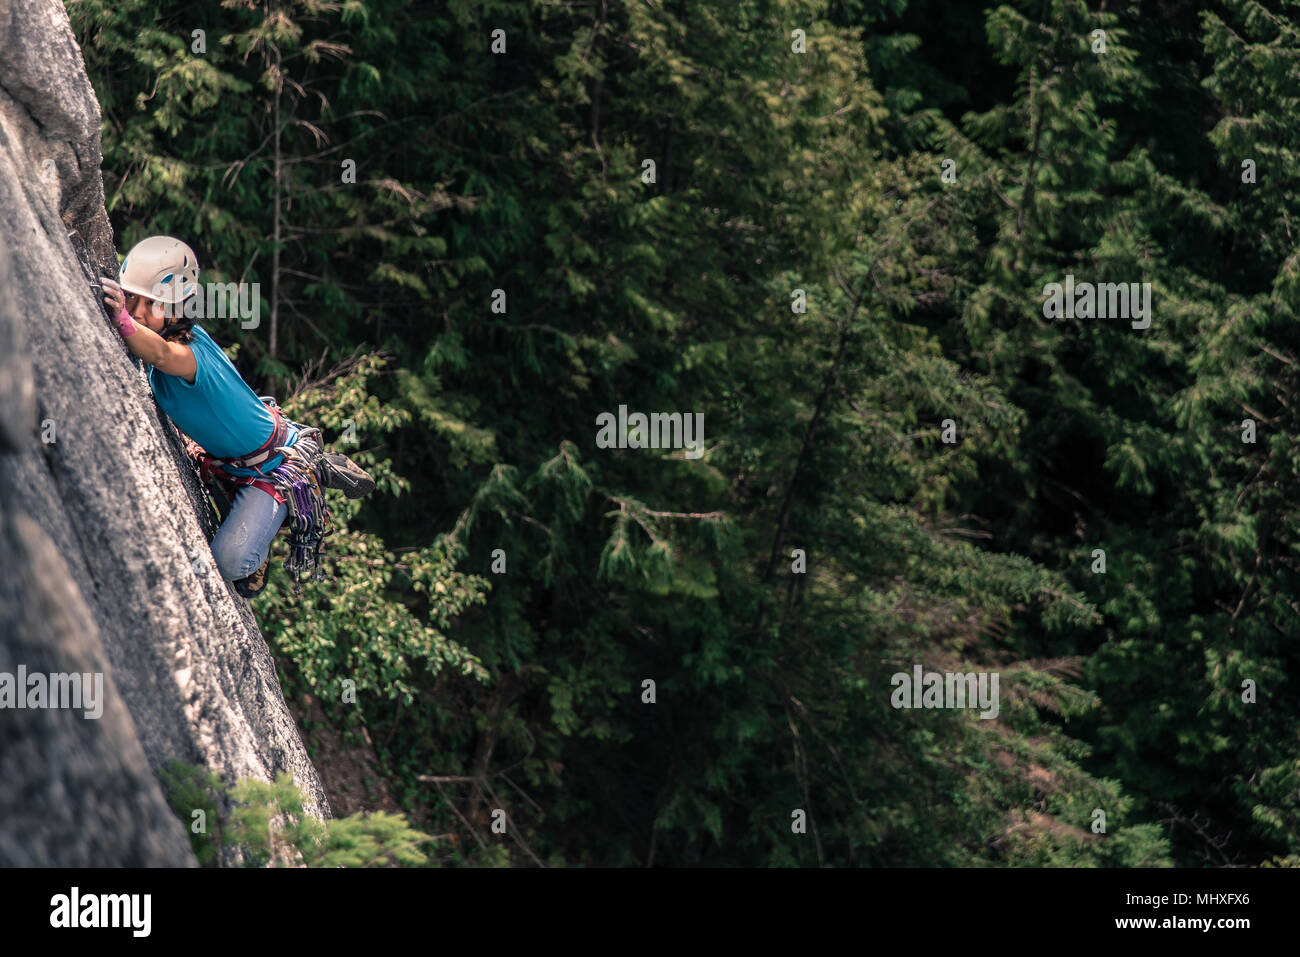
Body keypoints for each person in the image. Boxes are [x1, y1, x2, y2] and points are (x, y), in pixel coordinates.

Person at [100, 235, 374, 596]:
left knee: (231, 564)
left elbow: (162, 356)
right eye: (131, 298)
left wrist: (121, 319)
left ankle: (316, 467)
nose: (135, 310)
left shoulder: (185, 354)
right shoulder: (172, 336)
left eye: (149, 303)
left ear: (177, 309)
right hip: (238, 454)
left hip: (275, 466)